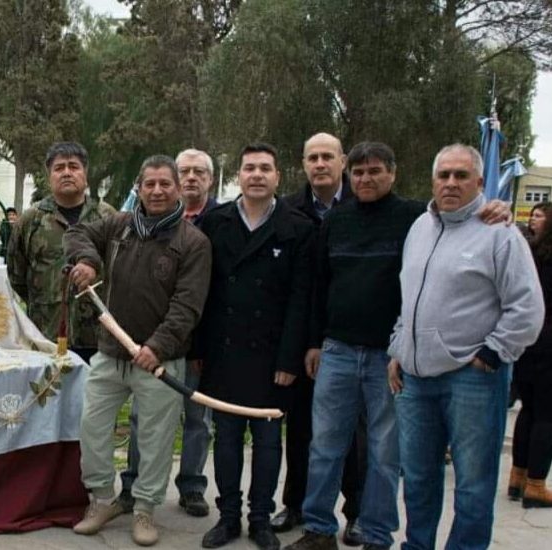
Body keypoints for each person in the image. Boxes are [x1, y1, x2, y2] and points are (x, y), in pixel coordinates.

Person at [285, 142, 511, 550]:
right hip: (335, 351)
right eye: (358, 172)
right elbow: (319, 286)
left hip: (388, 358)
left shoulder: (416, 219)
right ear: (348, 178)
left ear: (392, 173)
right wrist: (314, 343)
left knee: (384, 454)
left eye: (374, 171)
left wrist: (493, 209)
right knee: (324, 447)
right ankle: (319, 528)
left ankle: (376, 533)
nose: (366, 179)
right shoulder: (336, 221)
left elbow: (462, 221)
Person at [388, 144, 543, 549]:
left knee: (474, 484)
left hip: (472, 379)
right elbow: (409, 298)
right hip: (416, 381)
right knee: (418, 478)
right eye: (444, 175)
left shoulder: (501, 234)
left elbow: (527, 307)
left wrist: (492, 354)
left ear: (479, 182)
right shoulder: (420, 228)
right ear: (433, 181)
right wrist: (398, 348)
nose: (451, 183)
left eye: (461, 176)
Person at [65, 155, 211, 546]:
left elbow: (187, 306)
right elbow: (77, 234)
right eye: (150, 184)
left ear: (178, 188)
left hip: (159, 363)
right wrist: (88, 261)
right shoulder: (119, 226)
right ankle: (101, 500)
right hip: (110, 354)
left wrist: (157, 346)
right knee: (92, 429)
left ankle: (145, 510)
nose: (158, 191)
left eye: (166, 184)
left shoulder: (193, 243)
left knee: (155, 439)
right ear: (139, 188)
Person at [194, 143, 314, 550]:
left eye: (266, 168)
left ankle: (260, 518)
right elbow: (203, 293)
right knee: (225, 440)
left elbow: (301, 300)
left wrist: (289, 358)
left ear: (278, 176)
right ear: (238, 176)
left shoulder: (298, 227)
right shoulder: (215, 222)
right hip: (224, 353)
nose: (257, 175)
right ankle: (228, 518)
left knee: (266, 443)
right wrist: (199, 350)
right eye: (249, 168)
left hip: (273, 358)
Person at [276, 133, 366, 546]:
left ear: (342, 161)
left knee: (353, 434)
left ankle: (356, 511)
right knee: (301, 429)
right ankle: (295, 504)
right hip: (304, 338)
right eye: (312, 157)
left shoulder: (363, 204)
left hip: (352, 337)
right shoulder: (290, 210)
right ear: (303, 164)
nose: (320, 164)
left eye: (327, 156)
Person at [120, 148, 218, 518]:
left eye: (199, 172)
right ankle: (132, 483)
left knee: (196, 418)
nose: (192, 178)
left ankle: (191, 486)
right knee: (141, 417)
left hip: (198, 338)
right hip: (151, 340)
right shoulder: (142, 220)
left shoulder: (220, 221)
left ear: (209, 179)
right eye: (186, 171)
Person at [8, 141, 116, 361]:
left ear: (85, 174)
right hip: (46, 333)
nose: (67, 173)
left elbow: (120, 269)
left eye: (73, 167)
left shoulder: (107, 217)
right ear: (49, 176)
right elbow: (16, 275)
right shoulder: (31, 220)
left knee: (91, 395)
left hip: (96, 334)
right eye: (59, 168)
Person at [509, 201, 552, 508]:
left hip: (528, 341)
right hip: (549, 344)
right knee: (547, 417)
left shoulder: (530, 253)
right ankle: (536, 483)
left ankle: (517, 476)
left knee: (528, 411)